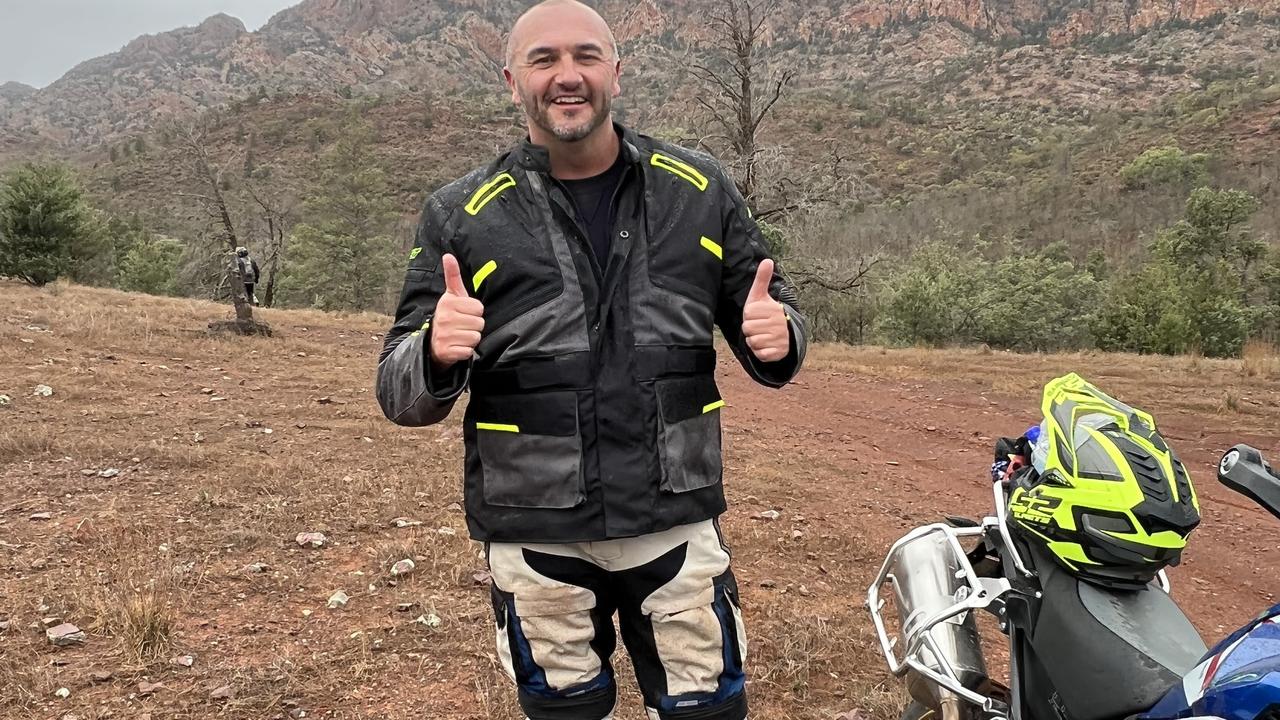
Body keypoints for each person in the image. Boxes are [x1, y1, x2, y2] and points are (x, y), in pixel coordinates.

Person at [376, 2, 807, 718]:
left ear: (617, 72)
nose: (566, 76)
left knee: (709, 709)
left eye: (585, 57)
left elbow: (774, 319)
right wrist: (431, 353)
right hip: (535, 534)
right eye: (544, 60)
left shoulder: (697, 189)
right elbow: (398, 390)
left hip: (673, 521)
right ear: (513, 80)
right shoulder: (461, 213)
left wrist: (781, 335)